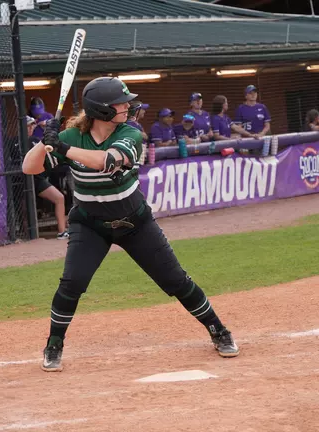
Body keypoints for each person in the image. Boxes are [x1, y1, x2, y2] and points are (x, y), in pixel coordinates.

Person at [21, 77, 239, 373]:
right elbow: (29, 168)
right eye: (121, 103)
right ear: (103, 110)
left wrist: (62, 146)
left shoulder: (130, 134)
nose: (128, 106)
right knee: (72, 283)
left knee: (175, 281)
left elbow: (108, 162)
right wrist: (43, 144)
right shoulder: (72, 137)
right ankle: (54, 344)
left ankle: (218, 329)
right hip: (90, 224)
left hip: (135, 222)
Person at [27, 116, 68, 238]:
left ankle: (62, 232)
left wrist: (52, 131)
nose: (30, 128)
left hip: (37, 178)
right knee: (25, 205)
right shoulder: (15, 141)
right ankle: (27, 235)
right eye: (28, 125)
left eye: (32, 125)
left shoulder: (35, 140)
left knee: (59, 197)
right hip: (23, 180)